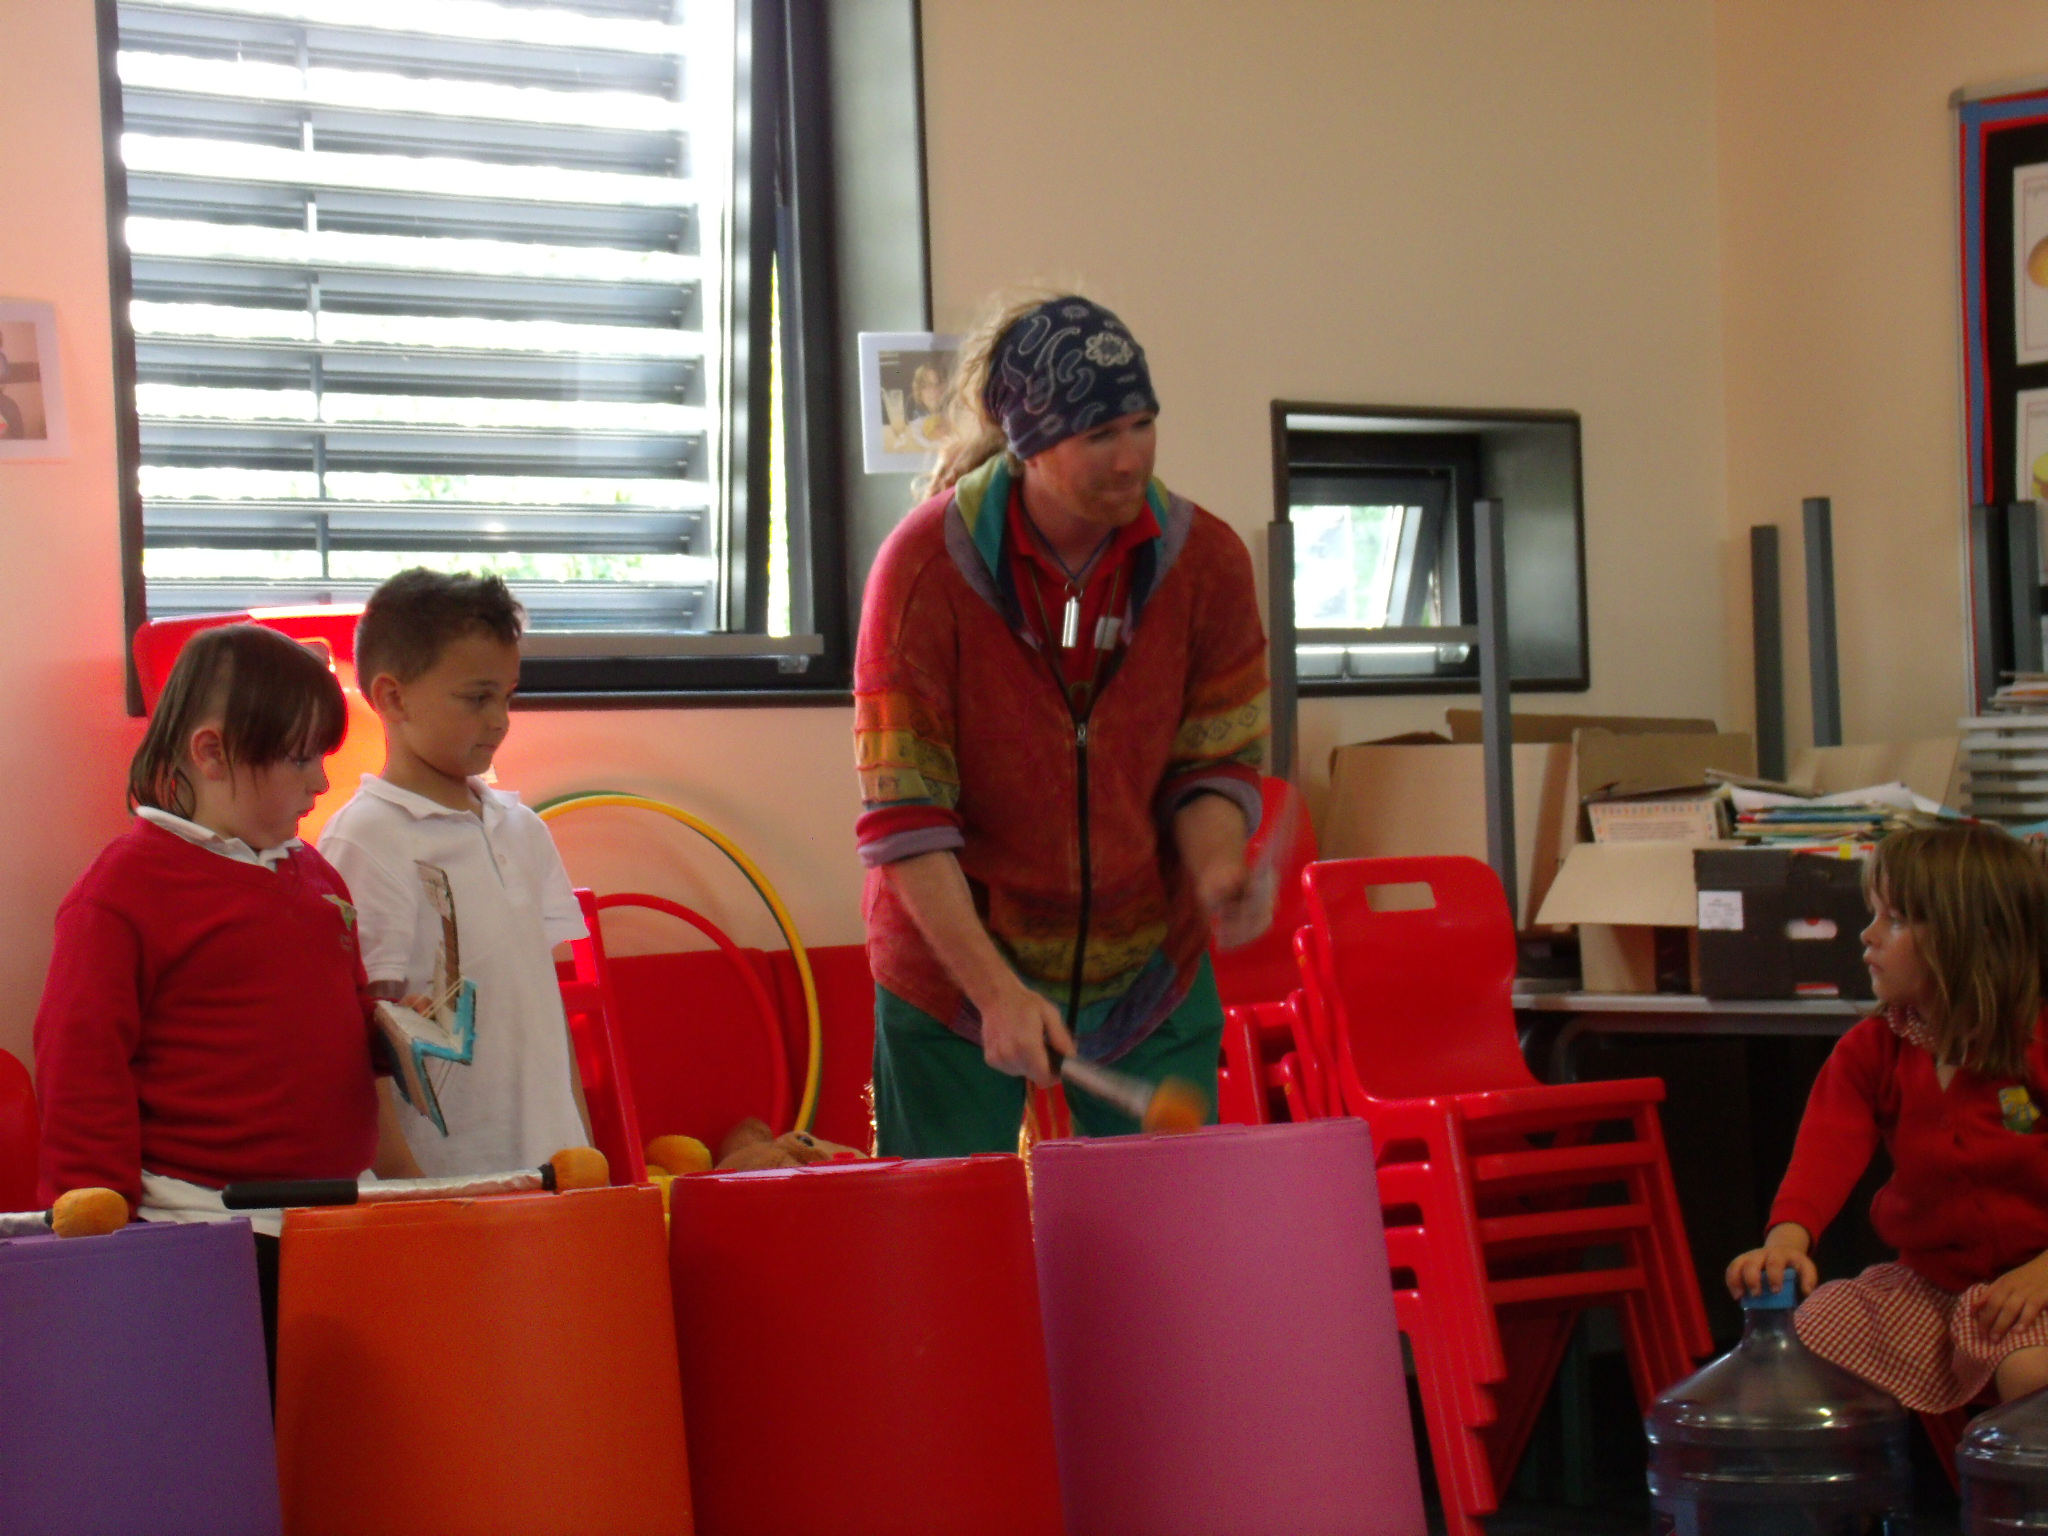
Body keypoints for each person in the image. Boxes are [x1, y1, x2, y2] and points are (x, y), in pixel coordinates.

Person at [854, 292, 1270, 1157]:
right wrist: (995, 992)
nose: (1132, 458)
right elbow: (907, 821)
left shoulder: (1208, 564)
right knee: (949, 1249)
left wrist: (1219, 867)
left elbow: (1210, 765)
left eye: (1143, 424)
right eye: (1100, 436)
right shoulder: (924, 572)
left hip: (1148, 966)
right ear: (1031, 447)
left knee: (1169, 1249)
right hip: (954, 971)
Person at [33, 623, 403, 1369]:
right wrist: (95, 1223)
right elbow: (81, 1060)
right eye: (300, 759)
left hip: (333, 1214)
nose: (321, 783)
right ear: (210, 753)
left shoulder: (314, 875)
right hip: (206, 1230)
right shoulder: (124, 890)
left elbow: (340, 1009)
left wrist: (395, 1032)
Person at [1727, 821, 2048, 1412]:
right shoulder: (1873, 1048)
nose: (1867, 936)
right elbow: (1825, 1151)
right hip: (1931, 1284)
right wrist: (1785, 1242)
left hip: (2037, 1282)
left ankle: (2009, 1501)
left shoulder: (2037, 1038)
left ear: (1972, 938)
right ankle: (1861, 1501)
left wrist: (2043, 1274)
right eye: (1873, 914)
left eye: (1895, 920)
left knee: (2030, 1371)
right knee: (1813, 1336)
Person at [320, 569, 590, 1177]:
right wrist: (409, 1186)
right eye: (476, 697)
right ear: (392, 697)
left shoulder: (522, 829)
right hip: (452, 1180)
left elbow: (547, 1013)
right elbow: (363, 1046)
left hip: (556, 1168)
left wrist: (584, 1147)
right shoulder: (366, 838)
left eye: (508, 696)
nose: (500, 719)